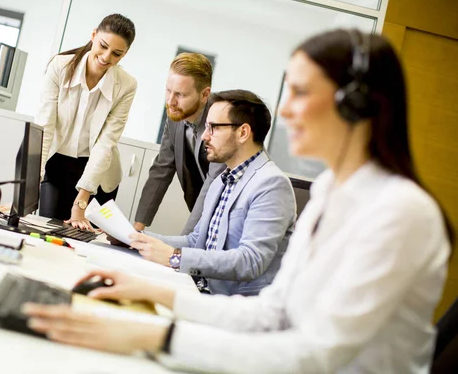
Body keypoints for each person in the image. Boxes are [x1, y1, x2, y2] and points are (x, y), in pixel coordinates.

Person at [23, 29, 454, 373]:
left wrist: (153, 335)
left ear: (355, 105)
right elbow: (273, 313)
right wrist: (154, 293)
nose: (285, 112)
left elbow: (316, 355)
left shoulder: (401, 212)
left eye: (301, 93)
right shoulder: (329, 194)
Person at [129, 89, 296, 296]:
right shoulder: (221, 180)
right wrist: (135, 238)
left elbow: (250, 260)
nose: (205, 136)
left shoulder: (271, 184)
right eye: (206, 127)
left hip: (238, 306)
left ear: (243, 132)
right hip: (201, 290)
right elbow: (195, 241)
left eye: (214, 128)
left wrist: (174, 257)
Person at [36, 14, 137, 231]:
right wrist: (31, 182)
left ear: (125, 54)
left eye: (117, 54)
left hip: (97, 174)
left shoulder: (127, 85)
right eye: (103, 46)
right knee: (49, 230)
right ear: (93, 35)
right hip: (57, 162)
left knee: (85, 240)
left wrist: (81, 202)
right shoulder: (60, 66)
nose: (106, 57)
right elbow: (45, 126)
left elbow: (106, 143)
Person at [133, 53, 226, 235]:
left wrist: (185, 241)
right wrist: (137, 228)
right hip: (201, 213)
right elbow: (162, 168)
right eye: (168, 90)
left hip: (228, 215)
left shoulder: (221, 118)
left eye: (180, 94)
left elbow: (213, 182)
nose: (170, 101)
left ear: (204, 94)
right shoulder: (176, 114)